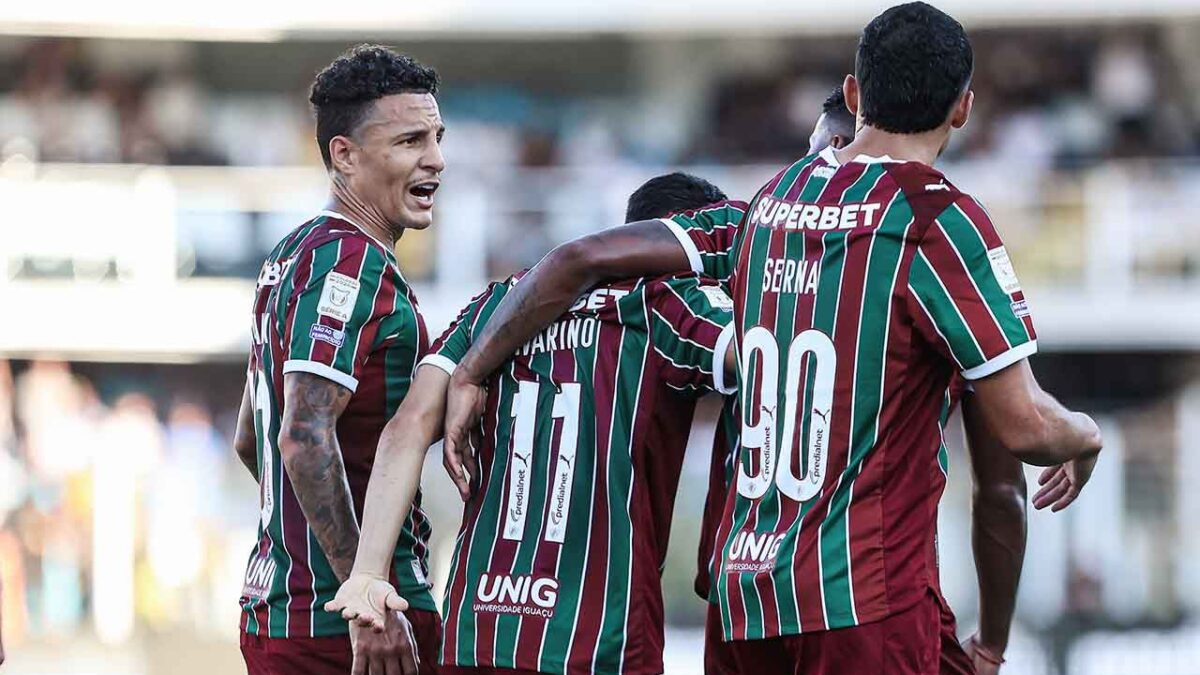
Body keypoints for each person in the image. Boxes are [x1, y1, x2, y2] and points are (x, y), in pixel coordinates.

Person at [436, 4, 1103, 674]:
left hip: (743, 598)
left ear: (853, 95)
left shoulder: (766, 205)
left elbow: (578, 258)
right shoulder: (939, 222)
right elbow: (1022, 434)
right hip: (860, 599)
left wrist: (470, 371)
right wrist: (1083, 434)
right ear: (962, 109)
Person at [326, 172, 740, 675]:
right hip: (596, 642)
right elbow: (769, 359)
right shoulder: (668, 301)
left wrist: (368, 575)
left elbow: (406, 429)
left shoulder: (498, 304)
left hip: (478, 631)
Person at [233, 44, 445, 675]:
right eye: (409, 141)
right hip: (345, 626)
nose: (435, 159)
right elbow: (302, 437)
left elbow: (251, 438)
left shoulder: (293, 254)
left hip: (279, 607)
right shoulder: (349, 263)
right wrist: (365, 596)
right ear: (344, 155)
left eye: (436, 137)